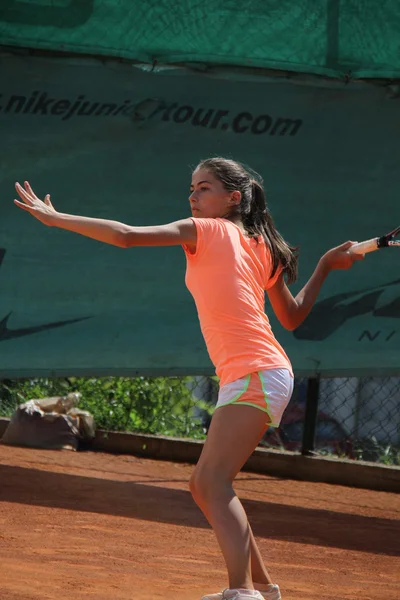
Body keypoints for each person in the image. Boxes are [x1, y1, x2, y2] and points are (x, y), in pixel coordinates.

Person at [14, 157, 364, 600]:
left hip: (257, 370)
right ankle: (261, 587)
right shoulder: (262, 246)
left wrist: (57, 218)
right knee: (211, 483)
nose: (192, 196)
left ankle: (242, 593)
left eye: (203, 188)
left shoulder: (212, 230)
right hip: (255, 372)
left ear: (232, 198)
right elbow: (292, 318)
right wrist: (326, 266)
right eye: (191, 189)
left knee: (209, 483)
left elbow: (125, 236)